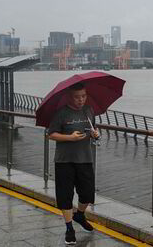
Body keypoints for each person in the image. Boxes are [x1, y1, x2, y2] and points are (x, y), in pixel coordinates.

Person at [48, 83, 100, 245]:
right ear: (70, 97)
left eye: (83, 96)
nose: (81, 100)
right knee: (65, 195)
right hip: (64, 160)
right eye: (77, 97)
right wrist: (69, 137)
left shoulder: (89, 111)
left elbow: (94, 130)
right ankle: (69, 228)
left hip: (85, 158)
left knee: (87, 193)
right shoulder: (61, 113)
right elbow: (51, 135)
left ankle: (80, 215)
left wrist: (95, 134)